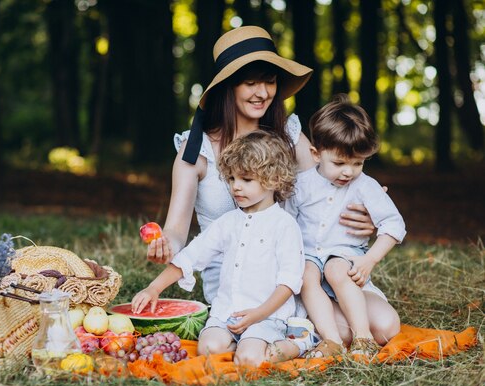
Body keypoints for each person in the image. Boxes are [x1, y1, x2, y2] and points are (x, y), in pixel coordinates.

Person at [146, 25, 379, 331]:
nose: (262, 93)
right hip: (237, 280)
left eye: (269, 82)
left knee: (383, 326)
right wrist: (165, 244)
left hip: (296, 267)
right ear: (228, 87)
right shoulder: (195, 150)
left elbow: (323, 194)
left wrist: (370, 213)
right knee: (347, 329)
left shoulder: (289, 135)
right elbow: (176, 229)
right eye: (250, 83)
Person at [133, 131, 311, 366]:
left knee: (249, 359)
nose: (236, 187)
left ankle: (299, 342)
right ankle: (244, 342)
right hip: (226, 312)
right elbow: (191, 256)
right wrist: (154, 288)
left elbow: (289, 282)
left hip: (266, 315)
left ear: (274, 179)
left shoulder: (284, 225)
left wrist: (258, 314)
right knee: (207, 348)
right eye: (232, 179)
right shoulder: (227, 222)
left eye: (246, 180)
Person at [284, 94, 406, 357]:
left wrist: (369, 260)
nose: (348, 172)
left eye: (357, 163)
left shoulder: (365, 186)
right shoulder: (301, 185)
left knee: (336, 267)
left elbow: (394, 225)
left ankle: (363, 338)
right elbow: (287, 224)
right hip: (308, 259)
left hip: (346, 260)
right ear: (316, 154)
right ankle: (332, 341)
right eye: (339, 163)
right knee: (307, 272)